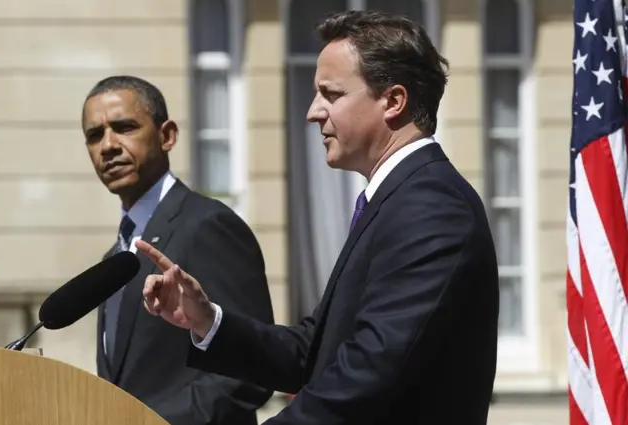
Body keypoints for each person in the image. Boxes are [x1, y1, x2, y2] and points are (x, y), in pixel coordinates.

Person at [137, 10, 499, 424]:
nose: (313, 111)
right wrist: (208, 321)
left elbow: (369, 373)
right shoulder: (397, 199)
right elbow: (316, 351)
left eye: (331, 94)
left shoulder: (431, 206)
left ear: (393, 102)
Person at [82, 75, 275, 425]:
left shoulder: (209, 226)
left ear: (167, 135)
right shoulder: (114, 259)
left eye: (124, 127)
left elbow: (249, 370)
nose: (108, 145)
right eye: (94, 135)